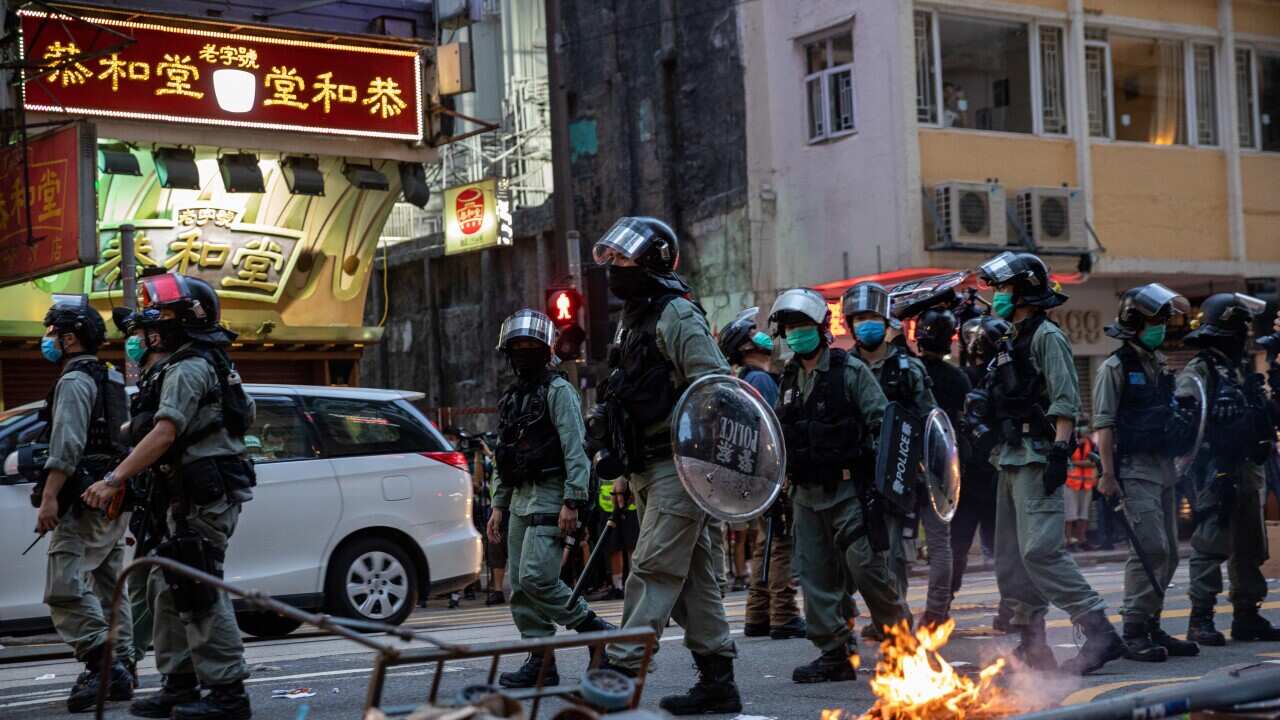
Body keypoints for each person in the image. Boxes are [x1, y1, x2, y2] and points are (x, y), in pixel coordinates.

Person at [82, 272, 256, 720]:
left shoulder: (190, 367)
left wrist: (114, 478)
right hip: (180, 495)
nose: (142, 336)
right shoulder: (185, 366)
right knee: (166, 589)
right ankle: (179, 685)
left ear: (180, 323)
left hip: (200, 496)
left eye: (151, 325)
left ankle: (228, 694)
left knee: (198, 587)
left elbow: (165, 433)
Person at [592, 216, 741, 715]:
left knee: (653, 566)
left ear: (652, 260)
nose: (612, 266)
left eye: (622, 257)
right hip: (645, 467)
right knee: (692, 582)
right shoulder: (634, 317)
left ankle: (619, 671)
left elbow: (716, 387)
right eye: (609, 258)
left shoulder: (677, 313)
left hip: (680, 467)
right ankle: (718, 682)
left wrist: (701, 456)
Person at [974, 251, 1125, 675]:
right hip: (1008, 458)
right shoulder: (1011, 337)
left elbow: (1064, 399)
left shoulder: (1046, 336)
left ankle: (1099, 632)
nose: (998, 296)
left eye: (1004, 289)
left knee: (1040, 550)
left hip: (1038, 457)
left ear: (1023, 291)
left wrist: (1060, 452)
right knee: (1009, 557)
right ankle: (1033, 643)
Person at [769, 288, 910, 683]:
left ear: (819, 328)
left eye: (801, 326)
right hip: (805, 495)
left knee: (867, 569)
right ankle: (834, 652)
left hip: (849, 491)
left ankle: (901, 644)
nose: (795, 334)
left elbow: (884, 423)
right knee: (816, 577)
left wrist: (884, 487)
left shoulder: (850, 372)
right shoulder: (789, 378)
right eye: (789, 328)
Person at [485, 309, 615, 688]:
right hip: (520, 499)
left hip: (551, 494)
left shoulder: (559, 391)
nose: (524, 351)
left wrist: (573, 500)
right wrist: (498, 504)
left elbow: (576, 449)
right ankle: (540, 662)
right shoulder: (512, 398)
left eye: (531, 345)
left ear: (547, 349)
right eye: (518, 346)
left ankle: (596, 631)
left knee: (537, 577)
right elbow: (503, 455)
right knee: (520, 588)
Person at [1092, 284, 1203, 663]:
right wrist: (1108, 475)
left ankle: (1152, 624)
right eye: (1154, 321)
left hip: (1163, 469)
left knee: (1170, 552)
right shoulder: (1114, 367)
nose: (1160, 327)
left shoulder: (1156, 363)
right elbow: (1104, 425)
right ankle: (1134, 630)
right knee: (1149, 549)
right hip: (1133, 470)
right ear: (1135, 321)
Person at [34, 294, 134, 713]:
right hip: (113, 497)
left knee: (63, 587)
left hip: (83, 499)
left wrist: (50, 497)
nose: (49, 340)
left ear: (71, 339)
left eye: (53, 333)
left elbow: (67, 444)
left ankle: (102, 661)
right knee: (111, 586)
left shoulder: (74, 381)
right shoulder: (111, 378)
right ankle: (123, 663)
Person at [843, 282, 951, 632]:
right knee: (862, 552)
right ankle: (878, 616)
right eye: (858, 318)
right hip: (858, 469)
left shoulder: (907, 369)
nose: (865, 325)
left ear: (885, 321)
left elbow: (932, 421)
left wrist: (932, 471)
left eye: (871, 317)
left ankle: (895, 619)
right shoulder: (843, 367)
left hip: (901, 471)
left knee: (894, 549)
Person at [1176, 293, 1280, 644]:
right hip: (1215, 469)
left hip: (1248, 467)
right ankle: (1200, 618)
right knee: (1211, 543)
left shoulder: (1238, 371)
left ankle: (1247, 614)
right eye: (1241, 331)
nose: (1245, 338)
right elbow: (1188, 422)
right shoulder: (1200, 370)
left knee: (1250, 545)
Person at [717, 308, 805, 641]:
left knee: (765, 542)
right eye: (753, 332)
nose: (761, 334)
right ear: (744, 347)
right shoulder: (760, 380)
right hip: (770, 475)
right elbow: (774, 430)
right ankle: (782, 614)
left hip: (753, 476)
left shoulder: (740, 380)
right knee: (778, 542)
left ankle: (758, 613)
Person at [112, 305, 173, 688]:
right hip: (151, 497)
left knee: (166, 588)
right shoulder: (151, 379)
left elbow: (164, 434)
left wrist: (115, 477)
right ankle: (128, 661)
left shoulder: (178, 373)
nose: (131, 342)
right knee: (142, 584)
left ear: (155, 336)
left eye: (137, 333)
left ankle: (197, 679)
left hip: (177, 497)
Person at [953, 318, 999, 605]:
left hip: (989, 475)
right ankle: (940, 607)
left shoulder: (1004, 378)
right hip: (971, 477)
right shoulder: (960, 379)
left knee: (998, 550)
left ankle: (939, 608)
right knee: (957, 549)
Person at [587, 477, 638, 601]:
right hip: (607, 505)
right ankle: (618, 587)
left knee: (632, 547)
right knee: (613, 547)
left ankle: (635, 586)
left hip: (629, 502)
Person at [1065, 423, 1097, 552]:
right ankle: (1068, 541)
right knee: (1070, 515)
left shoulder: (1091, 443)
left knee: (1083, 515)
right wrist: (1084, 464)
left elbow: (1093, 461)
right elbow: (1069, 459)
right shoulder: (1071, 443)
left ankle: (1082, 540)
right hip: (1071, 483)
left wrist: (1076, 463)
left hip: (1087, 484)